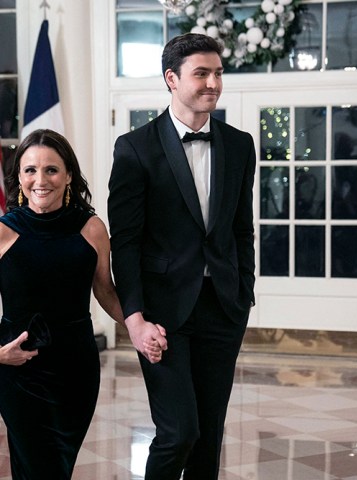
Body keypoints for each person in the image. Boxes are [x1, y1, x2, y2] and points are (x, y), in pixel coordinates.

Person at [108, 33, 256, 480]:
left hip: (222, 309)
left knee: (209, 435)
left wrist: (243, 292)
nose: (213, 82)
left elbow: (241, 229)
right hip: (163, 313)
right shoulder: (135, 148)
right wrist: (134, 318)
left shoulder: (240, 144)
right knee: (179, 432)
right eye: (201, 73)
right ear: (172, 79)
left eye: (218, 73)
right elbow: (126, 242)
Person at [0, 128, 161, 480]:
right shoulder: (4, 231)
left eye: (51, 169)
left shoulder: (91, 229)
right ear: (19, 178)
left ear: (69, 174)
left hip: (76, 370)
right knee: (43, 467)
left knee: (55, 467)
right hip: (19, 371)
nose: (40, 180)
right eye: (30, 170)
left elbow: (105, 291)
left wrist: (139, 326)